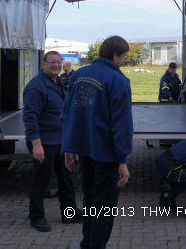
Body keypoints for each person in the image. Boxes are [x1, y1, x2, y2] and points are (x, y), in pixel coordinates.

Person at [62, 35, 133, 249]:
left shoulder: (79, 75)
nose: (124, 61)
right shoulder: (118, 80)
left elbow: (69, 114)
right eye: (123, 57)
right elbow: (122, 125)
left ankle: (87, 243)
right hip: (107, 155)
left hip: (84, 152)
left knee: (90, 200)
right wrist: (122, 160)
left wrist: (68, 148)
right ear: (115, 55)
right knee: (105, 206)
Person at [23, 51, 81, 232]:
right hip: (44, 142)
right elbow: (30, 117)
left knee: (66, 178)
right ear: (43, 64)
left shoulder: (58, 82)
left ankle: (69, 214)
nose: (56, 65)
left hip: (61, 141)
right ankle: (36, 217)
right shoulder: (36, 87)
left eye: (58, 62)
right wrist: (36, 144)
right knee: (42, 180)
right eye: (52, 62)